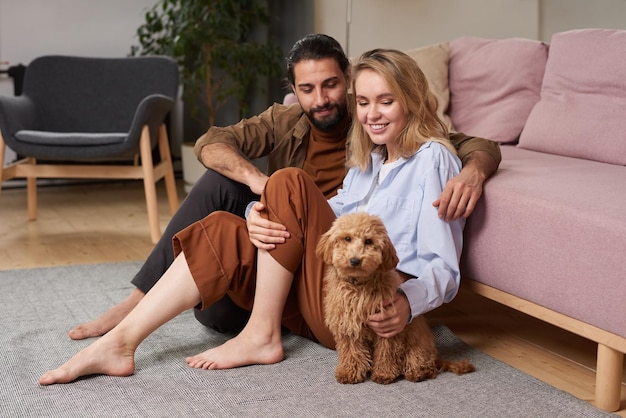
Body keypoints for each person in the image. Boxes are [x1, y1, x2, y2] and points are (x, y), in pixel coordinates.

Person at [39, 47, 465, 385]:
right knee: (226, 227)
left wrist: (408, 305)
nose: (371, 114)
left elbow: (444, 267)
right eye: (365, 102)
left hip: (374, 313)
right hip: (331, 299)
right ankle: (120, 343)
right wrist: (257, 214)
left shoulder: (432, 161)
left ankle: (261, 335)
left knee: (288, 181)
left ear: (410, 99)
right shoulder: (367, 159)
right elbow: (334, 218)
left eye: (386, 102)